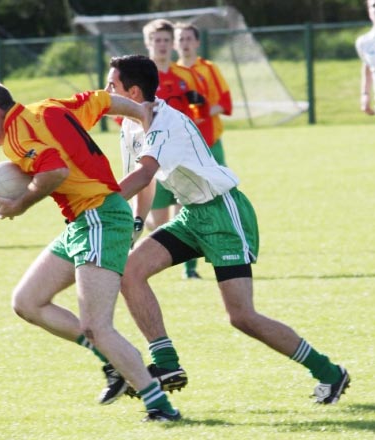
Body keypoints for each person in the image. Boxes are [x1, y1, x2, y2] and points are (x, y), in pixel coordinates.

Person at [103, 54, 350, 406]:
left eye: (112, 85)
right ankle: (167, 364)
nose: (105, 91)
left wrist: (97, 203)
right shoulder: (129, 126)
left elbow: (143, 175)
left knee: (242, 317)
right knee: (130, 271)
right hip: (192, 217)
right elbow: (144, 187)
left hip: (223, 214)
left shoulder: (165, 123)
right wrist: (136, 223)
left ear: (134, 91)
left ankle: (329, 372)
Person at [0, 81, 181, 422]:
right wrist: (140, 112)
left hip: (99, 218)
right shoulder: (48, 107)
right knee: (27, 301)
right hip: (84, 221)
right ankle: (115, 365)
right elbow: (102, 100)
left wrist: (19, 204)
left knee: (97, 326)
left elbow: (55, 170)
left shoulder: (17, 136)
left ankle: (159, 405)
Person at [143, 18, 210, 279]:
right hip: (152, 155)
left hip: (181, 154)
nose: (161, 45)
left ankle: (189, 270)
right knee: (160, 222)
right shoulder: (141, 75)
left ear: (173, 45)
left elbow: (200, 111)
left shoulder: (184, 75)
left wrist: (197, 104)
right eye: (156, 40)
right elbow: (122, 113)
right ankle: (138, 223)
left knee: (185, 210)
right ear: (148, 43)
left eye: (166, 41)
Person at [174, 22, 232, 166]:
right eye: (181, 39)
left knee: (223, 185)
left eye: (189, 39)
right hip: (183, 141)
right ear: (174, 44)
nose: (185, 43)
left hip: (210, 138)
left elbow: (225, 102)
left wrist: (199, 115)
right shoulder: (171, 73)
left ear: (197, 43)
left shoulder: (209, 68)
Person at [356, 0, 375, 115]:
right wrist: (365, 94)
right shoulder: (363, 42)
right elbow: (368, 66)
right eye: (373, 5)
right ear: (369, 11)